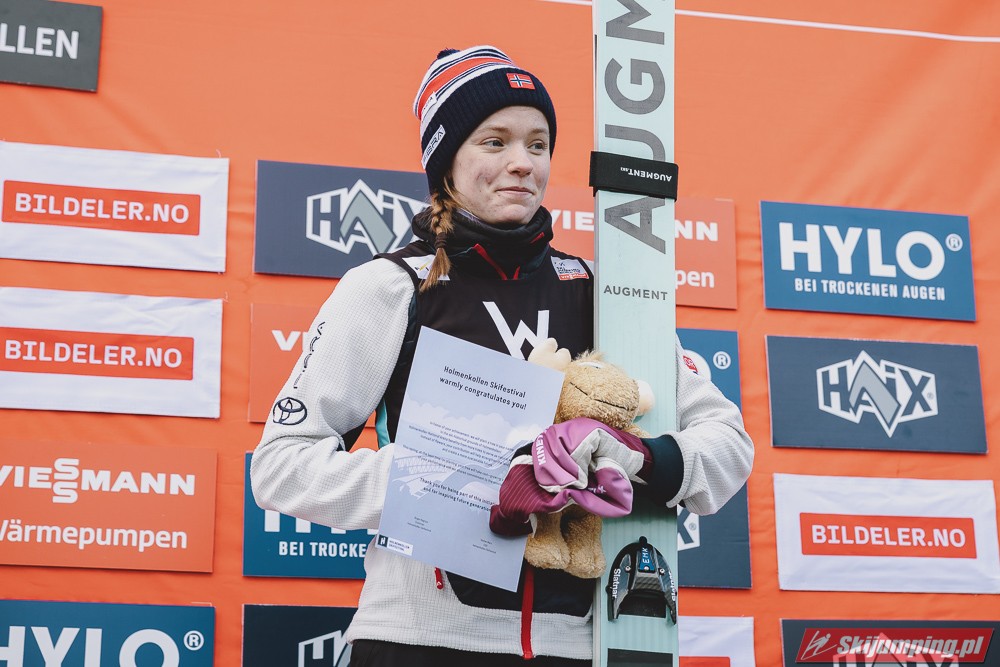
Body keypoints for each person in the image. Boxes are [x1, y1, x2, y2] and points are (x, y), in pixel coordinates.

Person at [250, 45, 753, 666]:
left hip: (579, 647)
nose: (522, 162)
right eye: (495, 142)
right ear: (447, 162)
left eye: (538, 145)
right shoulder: (390, 286)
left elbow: (728, 448)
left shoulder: (603, 292)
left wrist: (633, 456)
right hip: (420, 641)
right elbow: (281, 468)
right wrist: (460, 476)